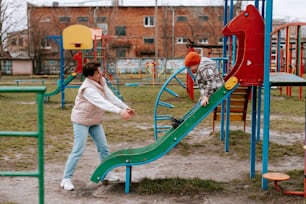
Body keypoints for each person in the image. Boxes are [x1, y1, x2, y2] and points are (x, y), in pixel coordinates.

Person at [60, 61, 136, 191]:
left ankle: (106, 173)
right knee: (78, 149)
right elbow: (102, 103)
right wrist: (120, 112)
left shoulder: (101, 81)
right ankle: (66, 179)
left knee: (104, 148)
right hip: (81, 121)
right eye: (97, 72)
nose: (100, 73)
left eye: (100, 71)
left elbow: (110, 97)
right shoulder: (87, 89)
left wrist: (125, 107)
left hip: (94, 120)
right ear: (90, 76)